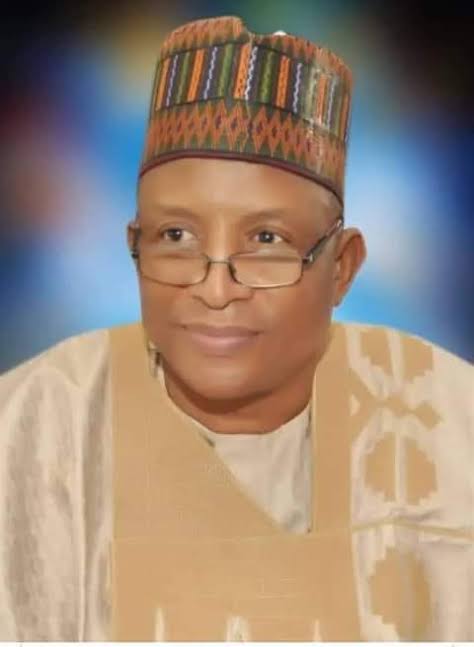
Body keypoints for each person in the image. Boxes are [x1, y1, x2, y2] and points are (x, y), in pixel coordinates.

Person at [0, 15, 472, 642]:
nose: (216, 289)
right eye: (176, 237)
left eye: (267, 241)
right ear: (134, 247)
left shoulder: (447, 445)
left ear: (342, 267)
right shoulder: (29, 434)